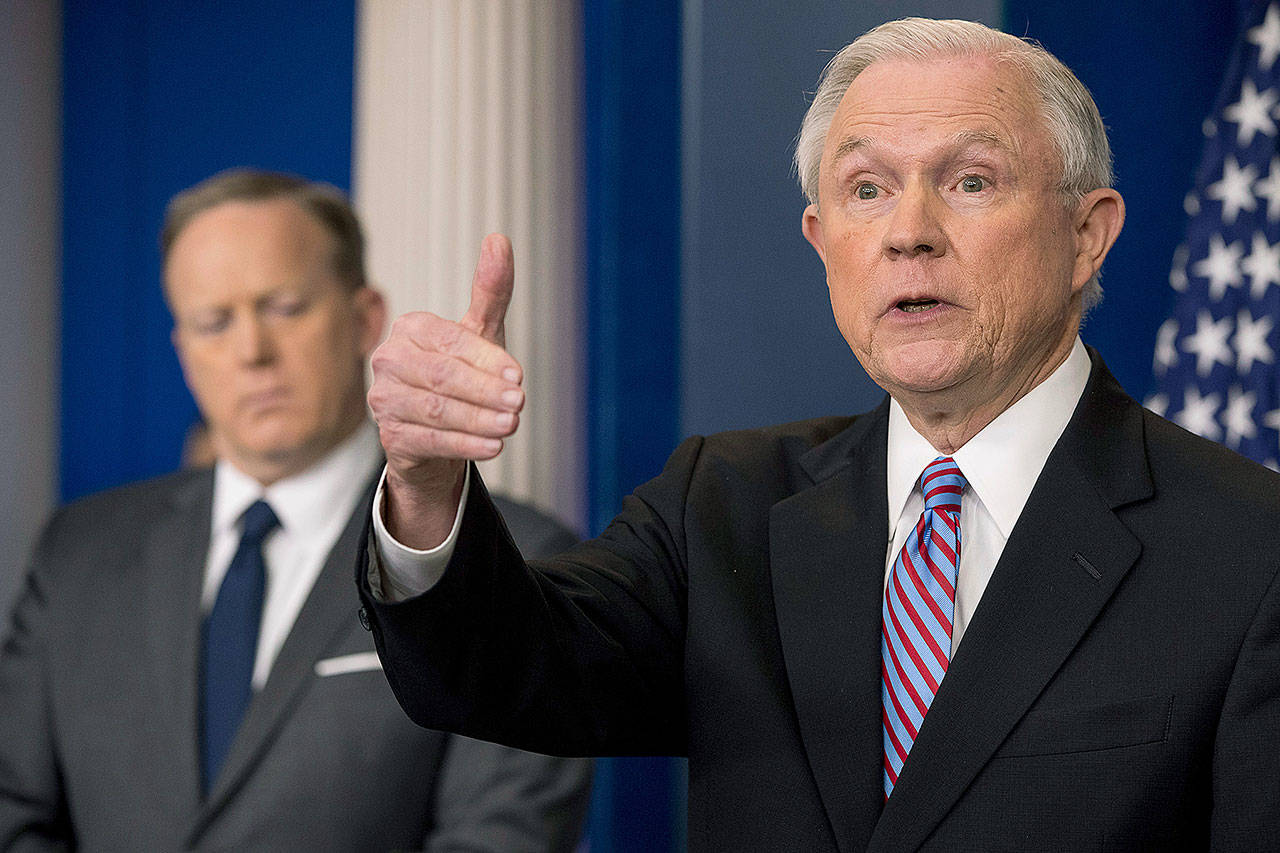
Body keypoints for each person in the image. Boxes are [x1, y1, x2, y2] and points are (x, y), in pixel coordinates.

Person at [358, 17, 1280, 853]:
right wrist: (425, 487)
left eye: (970, 180)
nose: (908, 233)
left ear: (1088, 235)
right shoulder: (724, 503)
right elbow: (494, 669)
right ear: (820, 240)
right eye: (867, 189)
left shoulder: (1250, 549)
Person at [0, 170, 592, 851]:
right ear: (184, 353)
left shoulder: (517, 557)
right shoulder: (78, 550)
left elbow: (500, 835)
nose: (252, 351)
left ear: (364, 319)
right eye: (213, 322)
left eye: (283, 306)